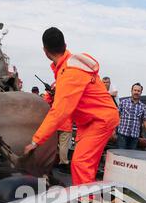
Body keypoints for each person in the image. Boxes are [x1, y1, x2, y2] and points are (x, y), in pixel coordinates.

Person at [24, 27, 119, 185]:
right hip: (91, 121)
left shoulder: (69, 72)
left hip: (99, 121)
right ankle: (88, 197)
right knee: (86, 164)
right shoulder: (67, 69)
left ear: (45, 51)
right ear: (65, 44)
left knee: (81, 163)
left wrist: (35, 141)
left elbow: (59, 112)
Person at [43, 84, 73, 172]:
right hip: (66, 124)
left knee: (53, 145)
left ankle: (50, 162)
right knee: (64, 146)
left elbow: (45, 102)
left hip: (54, 123)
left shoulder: (53, 92)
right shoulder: (69, 92)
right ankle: (63, 164)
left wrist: (49, 94)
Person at [117, 83, 146, 149]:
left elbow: (145, 121)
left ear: (141, 92)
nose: (136, 92)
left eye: (138, 91)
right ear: (131, 91)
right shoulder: (123, 102)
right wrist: (113, 130)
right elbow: (116, 116)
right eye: (135, 90)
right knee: (120, 155)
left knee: (131, 157)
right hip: (122, 134)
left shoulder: (143, 106)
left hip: (134, 136)